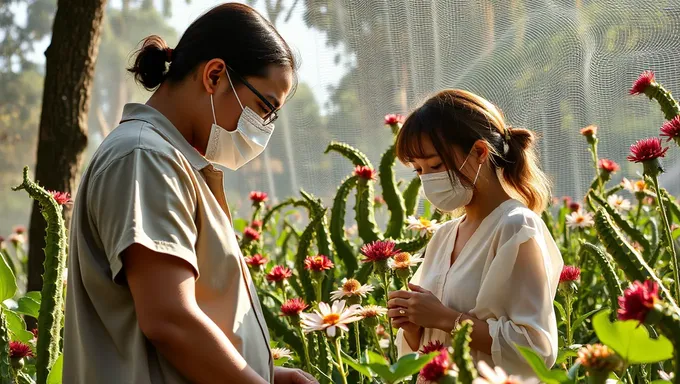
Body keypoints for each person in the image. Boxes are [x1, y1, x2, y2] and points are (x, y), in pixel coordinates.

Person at [63, 3, 317, 384]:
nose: (263, 127)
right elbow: (170, 319)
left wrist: (268, 374)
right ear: (214, 75)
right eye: (263, 107)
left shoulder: (167, 158)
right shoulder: (144, 157)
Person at [387, 89, 563, 380]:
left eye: (436, 165)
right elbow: (427, 345)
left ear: (480, 152)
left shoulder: (516, 228)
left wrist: (445, 318)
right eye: (419, 170)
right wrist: (413, 326)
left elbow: (537, 347)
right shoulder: (443, 236)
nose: (428, 179)